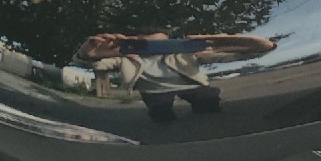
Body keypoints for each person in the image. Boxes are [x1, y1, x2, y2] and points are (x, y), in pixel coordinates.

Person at [76, 27, 274, 122]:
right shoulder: (126, 57)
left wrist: (223, 39)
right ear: (136, 42)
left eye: (163, 44)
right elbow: (91, 64)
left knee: (209, 106)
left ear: (172, 42)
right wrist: (87, 54)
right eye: (147, 44)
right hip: (154, 91)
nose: (156, 48)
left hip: (191, 85)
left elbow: (252, 51)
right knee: (162, 116)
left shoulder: (184, 53)